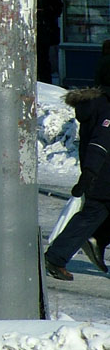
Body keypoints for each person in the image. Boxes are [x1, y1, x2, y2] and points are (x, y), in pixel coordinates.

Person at [44, 73, 110, 281]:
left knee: (95, 213)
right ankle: (56, 257)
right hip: (103, 174)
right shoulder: (106, 108)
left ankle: (95, 239)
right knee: (92, 213)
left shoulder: (97, 104)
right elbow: (100, 143)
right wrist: (89, 174)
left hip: (100, 172)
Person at [37, 0, 64, 84]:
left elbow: (58, 7)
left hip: (43, 30)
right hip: (37, 29)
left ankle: (44, 84)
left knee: (42, 60)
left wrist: (45, 12)